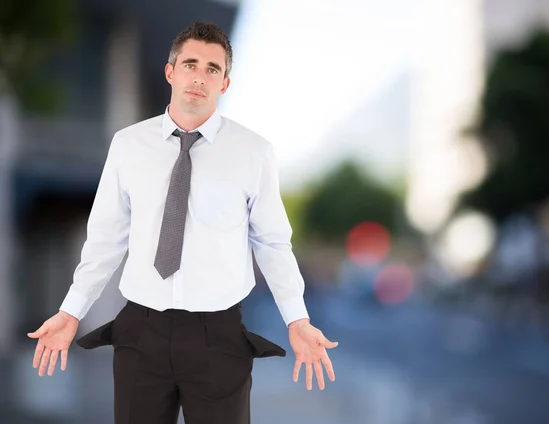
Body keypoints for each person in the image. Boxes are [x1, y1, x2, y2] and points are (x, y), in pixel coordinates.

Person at [27, 20, 338, 424]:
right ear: (170, 71)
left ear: (225, 84)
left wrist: (297, 319)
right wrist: (70, 312)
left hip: (218, 337)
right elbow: (105, 240)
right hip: (141, 330)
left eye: (213, 69)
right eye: (191, 64)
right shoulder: (128, 145)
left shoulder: (253, 152)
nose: (200, 76)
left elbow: (272, 243)